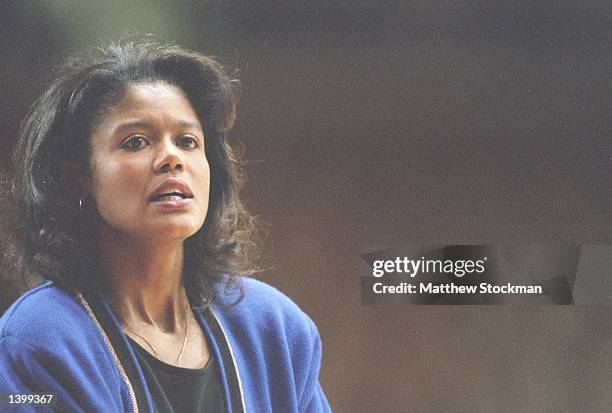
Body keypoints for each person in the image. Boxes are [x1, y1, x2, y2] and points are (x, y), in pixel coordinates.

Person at [0, 41, 331, 413]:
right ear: (77, 178)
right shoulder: (39, 340)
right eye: (136, 141)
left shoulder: (275, 330)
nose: (172, 158)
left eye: (188, 141)